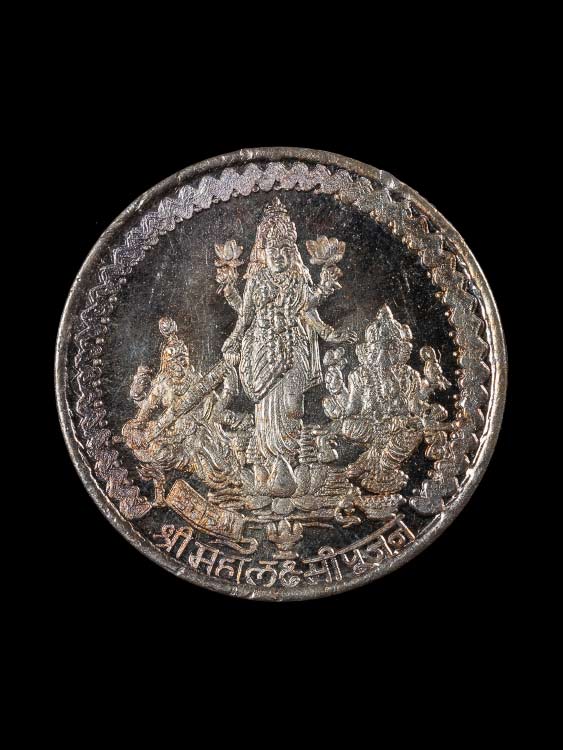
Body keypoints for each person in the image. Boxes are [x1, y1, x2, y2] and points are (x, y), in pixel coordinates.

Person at [222, 198, 356, 496]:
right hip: (263, 352)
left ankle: (293, 464)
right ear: (264, 253)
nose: (279, 255)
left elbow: (308, 311)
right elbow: (245, 317)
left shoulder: (297, 279)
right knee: (266, 411)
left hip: (293, 349)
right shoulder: (257, 280)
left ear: (291, 252)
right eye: (273, 250)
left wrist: (330, 332)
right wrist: (233, 340)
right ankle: (270, 466)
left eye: (285, 249)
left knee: (293, 407)